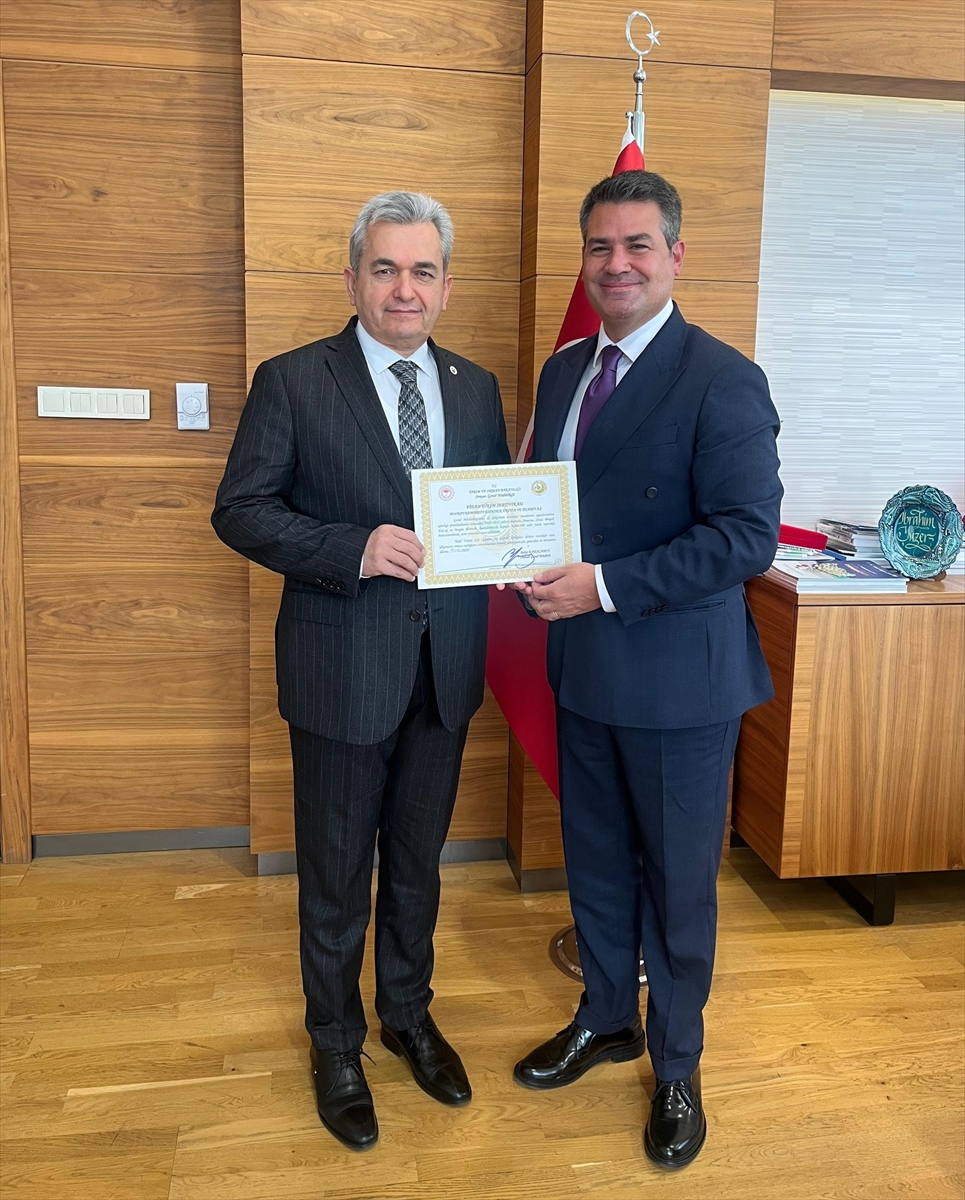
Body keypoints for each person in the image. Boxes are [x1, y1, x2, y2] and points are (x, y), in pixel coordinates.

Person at [212, 192, 510, 1150]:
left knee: (417, 866)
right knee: (336, 876)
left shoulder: (475, 388)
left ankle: (407, 1016)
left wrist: (521, 550)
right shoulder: (293, 380)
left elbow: (489, 513)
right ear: (352, 280)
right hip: (341, 673)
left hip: (445, 668)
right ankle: (335, 1043)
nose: (403, 288)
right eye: (385, 268)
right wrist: (352, 547)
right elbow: (240, 510)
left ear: (445, 286)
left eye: (422, 270)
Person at [509, 170, 782, 1169]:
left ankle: (675, 1064)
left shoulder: (721, 377)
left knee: (676, 886)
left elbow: (745, 537)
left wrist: (605, 586)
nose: (615, 264)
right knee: (594, 863)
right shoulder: (562, 373)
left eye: (635, 245)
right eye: (599, 247)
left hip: (677, 684)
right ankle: (604, 1017)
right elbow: (551, 505)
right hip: (580, 666)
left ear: (674, 256)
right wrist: (520, 563)